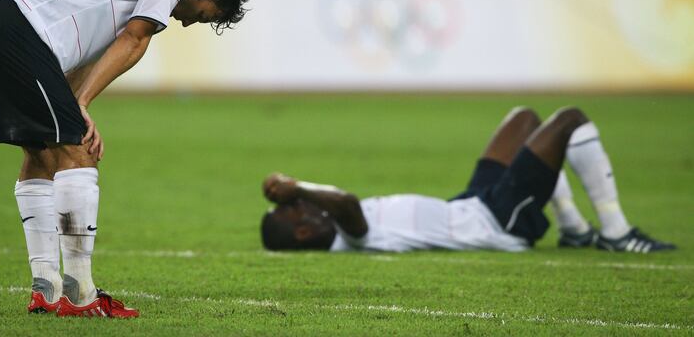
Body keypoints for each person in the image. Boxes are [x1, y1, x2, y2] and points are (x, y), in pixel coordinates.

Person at [0, 0, 253, 318]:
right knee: (79, 153)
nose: (190, 21)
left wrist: (76, 102)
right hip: (17, 18)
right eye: (206, 13)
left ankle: (46, 288)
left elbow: (87, 56)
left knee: (43, 149)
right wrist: (82, 107)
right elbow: (136, 36)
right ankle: (81, 295)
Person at [261, 107, 675, 254]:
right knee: (570, 120)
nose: (308, 205)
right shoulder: (351, 237)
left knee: (525, 118)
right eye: (299, 208)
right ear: (302, 231)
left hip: (470, 203)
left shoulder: (341, 231)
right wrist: (297, 186)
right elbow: (347, 202)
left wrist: (298, 190)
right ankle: (617, 232)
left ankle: (575, 232)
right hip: (496, 222)